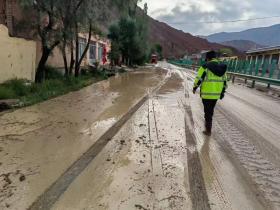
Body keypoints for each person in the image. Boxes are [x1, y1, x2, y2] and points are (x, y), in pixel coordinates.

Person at [193, 51, 228, 136]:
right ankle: (208, 128)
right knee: (210, 111)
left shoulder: (205, 67)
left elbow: (199, 79)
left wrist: (195, 87)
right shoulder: (222, 68)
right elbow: (225, 82)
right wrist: (222, 92)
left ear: (208, 58)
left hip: (206, 94)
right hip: (216, 95)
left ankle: (208, 130)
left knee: (207, 112)